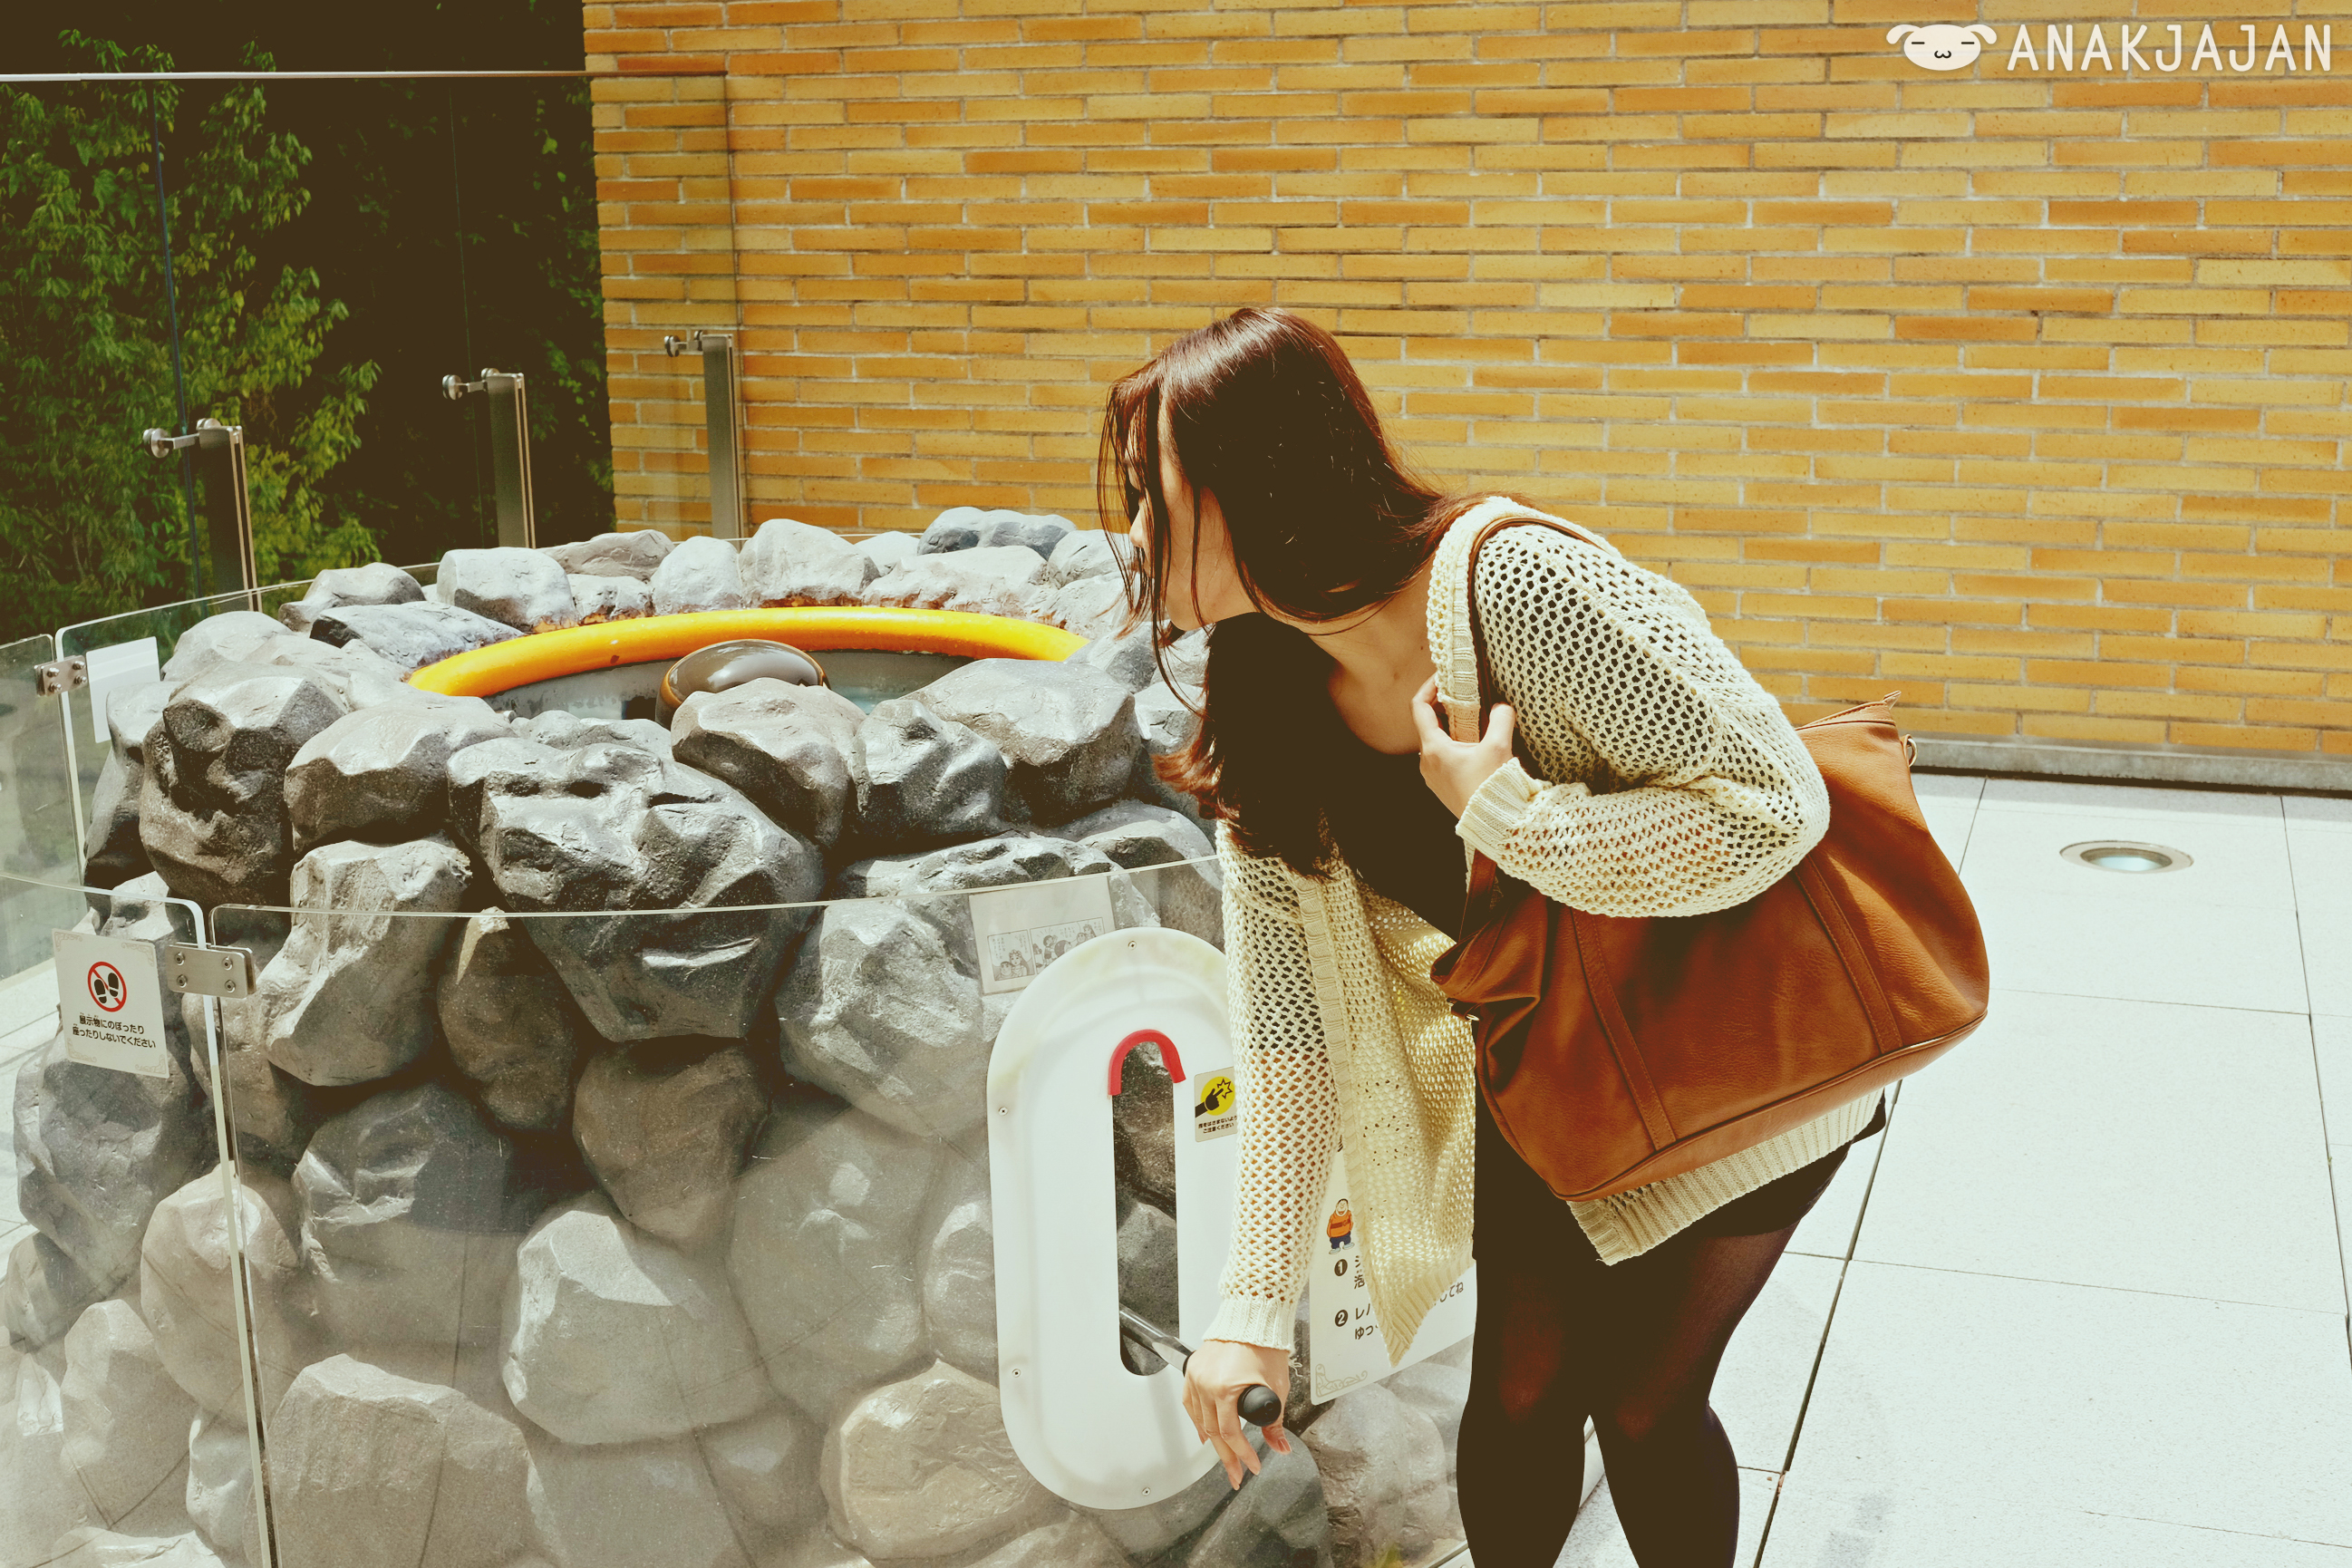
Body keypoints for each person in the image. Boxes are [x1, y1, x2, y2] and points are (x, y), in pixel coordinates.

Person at [1108, 308, 1887, 1568]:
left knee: (1643, 1402)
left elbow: (1772, 802)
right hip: (1551, 1072)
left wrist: (1507, 814)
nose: (1135, 534)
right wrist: (1249, 1309)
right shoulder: (1262, 696)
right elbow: (1291, 1032)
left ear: (1260, 482)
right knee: (1519, 1395)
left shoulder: (1517, 586)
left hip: (1731, 1054)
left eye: (1157, 494)